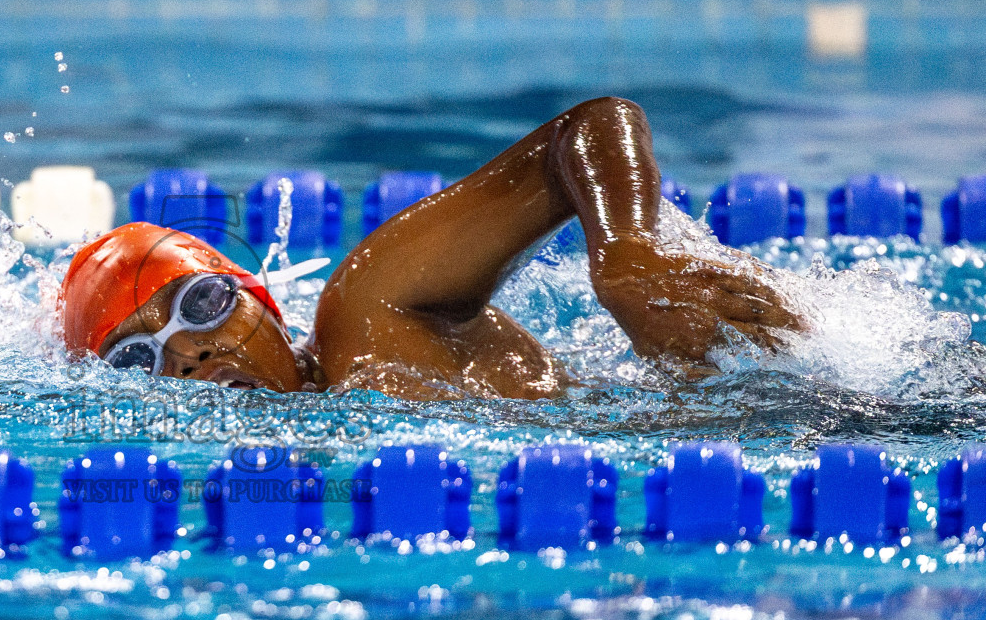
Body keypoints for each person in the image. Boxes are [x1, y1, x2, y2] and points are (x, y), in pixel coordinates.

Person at [57, 97, 804, 401]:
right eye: (137, 357)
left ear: (255, 294)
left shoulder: (371, 309)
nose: (185, 353)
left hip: (782, 402)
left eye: (197, 304)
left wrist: (628, 252)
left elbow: (592, 127)